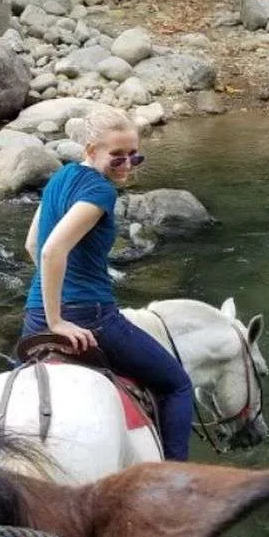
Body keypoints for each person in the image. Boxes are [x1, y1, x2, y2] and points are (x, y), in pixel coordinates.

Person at [21, 107, 195, 460]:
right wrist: (59, 321)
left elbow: (32, 244)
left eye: (135, 156)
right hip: (91, 317)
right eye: (117, 156)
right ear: (91, 149)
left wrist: (52, 304)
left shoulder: (60, 177)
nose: (127, 165)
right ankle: (174, 477)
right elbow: (52, 250)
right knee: (177, 385)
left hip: (33, 317)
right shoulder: (100, 191)